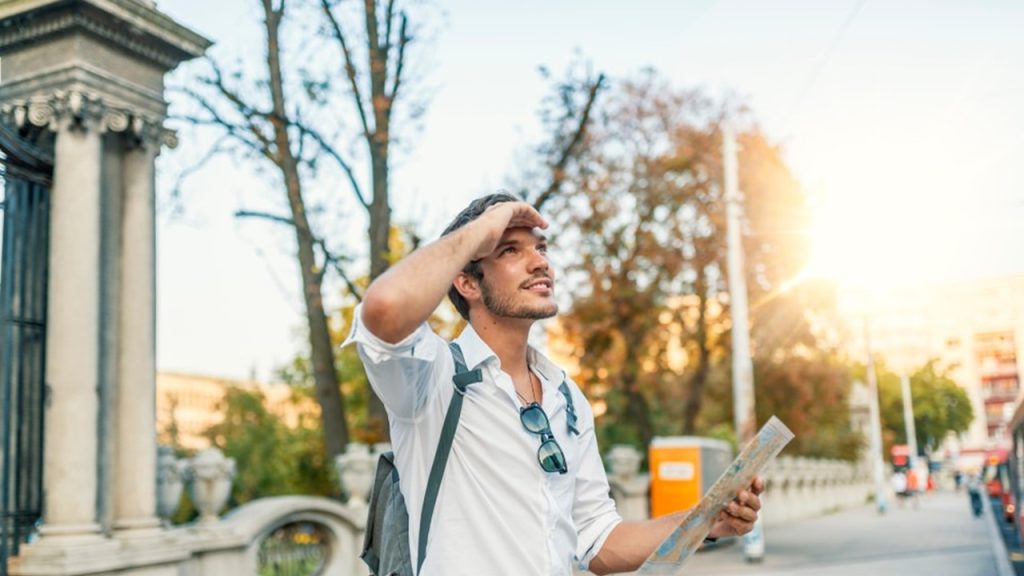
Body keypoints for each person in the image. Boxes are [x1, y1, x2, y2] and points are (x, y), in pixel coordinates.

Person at [347, 193, 763, 575]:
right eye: (510, 250)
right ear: (467, 281)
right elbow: (384, 308)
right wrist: (480, 231)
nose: (540, 262)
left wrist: (706, 521)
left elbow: (599, 540)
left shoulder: (567, 396)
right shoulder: (431, 379)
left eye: (541, 248)